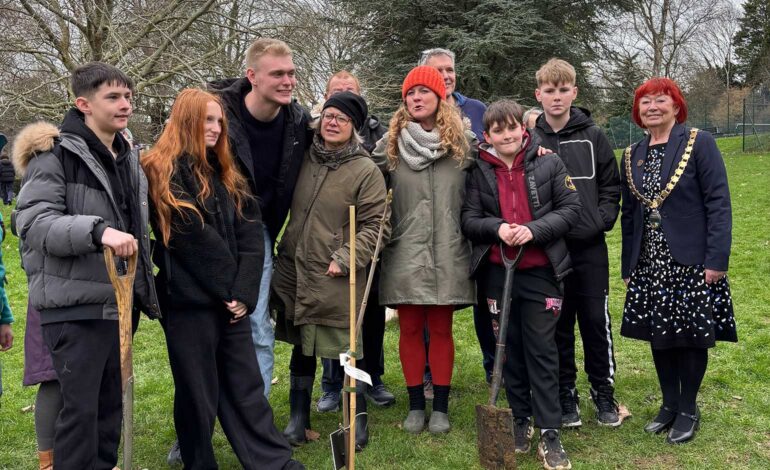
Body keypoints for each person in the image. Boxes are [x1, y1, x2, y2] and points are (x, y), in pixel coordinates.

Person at [142, 88, 302, 469]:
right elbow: (190, 235)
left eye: (219, 121)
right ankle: (199, 461)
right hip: (189, 302)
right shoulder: (158, 169)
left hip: (232, 302)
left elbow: (252, 231)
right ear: (186, 121)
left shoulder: (228, 170)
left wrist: (244, 292)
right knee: (197, 392)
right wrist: (230, 289)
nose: (215, 129)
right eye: (207, 120)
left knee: (245, 387)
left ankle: (273, 462)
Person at [13, 62, 160, 469]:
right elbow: (33, 222)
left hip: (116, 301)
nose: (125, 104)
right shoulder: (55, 155)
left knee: (109, 412)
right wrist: (99, 232)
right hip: (73, 307)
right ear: (83, 104)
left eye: (128, 96)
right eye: (112, 97)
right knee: (80, 417)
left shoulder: (125, 155)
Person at [462, 99, 581, 470]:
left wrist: (532, 230)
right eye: (499, 130)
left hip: (541, 271)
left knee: (542, 349)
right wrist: (497, 228)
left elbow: (570, 208)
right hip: (498, 273)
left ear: (523, 129)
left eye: (513, 127)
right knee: (506, 347)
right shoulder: (479, 171)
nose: (507, 135)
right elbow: (468, 217)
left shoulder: (549, 162)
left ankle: (550, 429)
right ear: (488, 135)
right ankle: (520, 419)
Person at [621, 77, 736, 444]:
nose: (652, 107)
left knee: (690, 336)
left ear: (676, 106)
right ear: (638, 112)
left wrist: (716, 259)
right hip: (649, 262)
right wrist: (629, 265)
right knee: (660, 335)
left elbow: (718, 202)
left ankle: (688, 408)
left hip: (691, 260)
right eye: (645, 103)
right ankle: (668, 404)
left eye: (660, 101)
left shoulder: (699, 143)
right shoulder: (631, 154)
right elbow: (629, 216)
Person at [272, 92, 388, 450]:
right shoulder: (304, 159)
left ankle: (358, 417)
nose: (332, 122)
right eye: (328, 115)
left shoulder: (365, 170)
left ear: (354, 127)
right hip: (296, 267)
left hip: (335, 271)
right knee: (301, 344)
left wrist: (347, 255)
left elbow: (378, 224)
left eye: (342, 118)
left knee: (347, 347)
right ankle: (297, 418)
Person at [372, 65, 476, 434]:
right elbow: (361, 176)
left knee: (442, 328)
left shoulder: (463, 146)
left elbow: (501, 165)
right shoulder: (389, 148)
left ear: (439, 98)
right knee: (410, 328)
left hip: (448, 249)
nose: (416, 98)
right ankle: (416, 404)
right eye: (410, 93)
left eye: (423, 92)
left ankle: (441, 407)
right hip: (405, 250)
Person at [210, 38, 311, 399]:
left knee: (257, 327)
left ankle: (258, 426)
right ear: (252, 75)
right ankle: (198, 424)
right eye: (278, 74)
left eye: (292, 73)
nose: (288, 81)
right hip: (211, 234)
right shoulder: (215, 115)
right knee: (206, 331)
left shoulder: (298, 122)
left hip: (261, 234)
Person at [533, 58, 622, 428]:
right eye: (549, 91)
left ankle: (603, 391)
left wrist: (600, 220)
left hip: (588, 248)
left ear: (575, 92)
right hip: (549, 249)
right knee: (558, 323)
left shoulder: (594, 135)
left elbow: (610, 184)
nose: (557, 97)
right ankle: (565, 393)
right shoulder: (531, 139)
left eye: (563, 90)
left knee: (594, 321)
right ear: (538, 95)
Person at [315, 71, 395, 415]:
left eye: (351, 92)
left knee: (370, 314)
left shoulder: (378, 134)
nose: (345, 96)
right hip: (327, 242)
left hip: (366, 240)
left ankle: (373, 377)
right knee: (332, 319)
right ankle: (332, 385)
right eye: (338, 93)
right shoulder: (316, 137)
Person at [418, 47, 492, 397]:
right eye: (438, 72)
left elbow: (497, 145)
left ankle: (495, 366)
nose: (446, 76)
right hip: (434, 222)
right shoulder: (414, 113)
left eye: (450, 70)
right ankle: (430, 373)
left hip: (476, 217)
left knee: (484, 297)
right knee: (432, 301)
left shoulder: (476, 110)